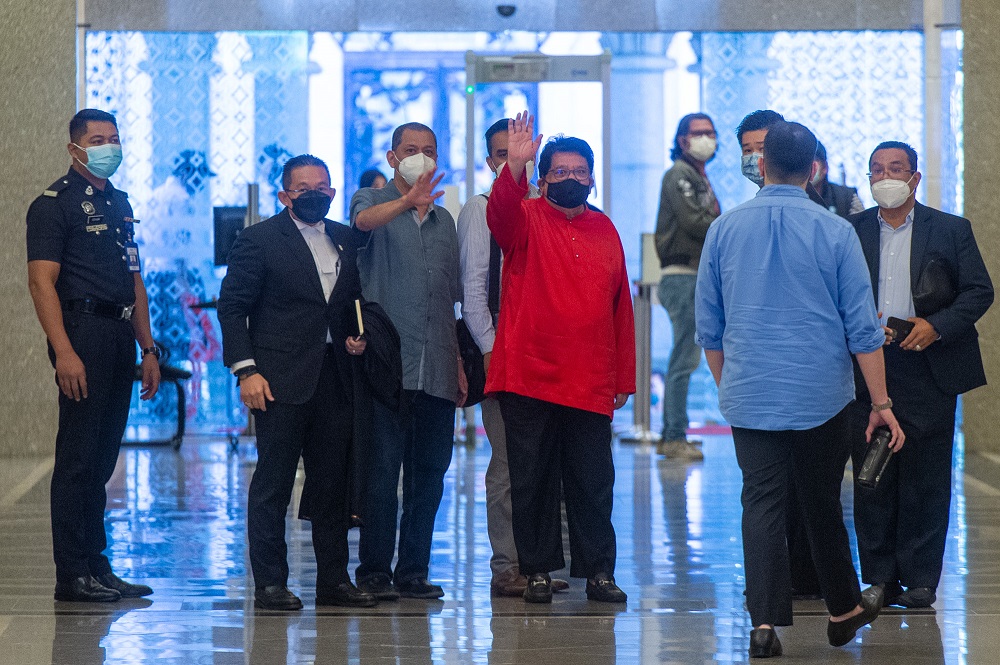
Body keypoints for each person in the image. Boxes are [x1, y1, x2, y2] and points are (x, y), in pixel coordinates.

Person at [695, 121, 905, 657]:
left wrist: (731, 386)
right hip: (822, 397)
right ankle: (841, 609)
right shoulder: (836, 232)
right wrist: (880, 403)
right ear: (813, 168)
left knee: (760, 504)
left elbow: (709, 328)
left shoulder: (723, 229)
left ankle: (764, 625)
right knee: (821, 503)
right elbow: (862, 329)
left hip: (751, 394)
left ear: (761, 165)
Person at [486, 112, 636, 604]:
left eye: (580, 172)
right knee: (532, 481)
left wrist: (624, 376)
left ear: (591, 177)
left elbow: (621, 308)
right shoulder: (524, 218)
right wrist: (515, 163)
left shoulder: (606, 228)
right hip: (529, 374)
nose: (571, 179)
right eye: (561, 172)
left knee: (594, 482)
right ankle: (535, 572)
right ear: (544, 177)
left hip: (590, 377)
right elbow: (500, 213)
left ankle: (598, 573)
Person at [218, 154, 374, 611]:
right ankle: (269, 584)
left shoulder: (345, 239)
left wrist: (355, 338)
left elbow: (347, 305)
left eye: (322, 186)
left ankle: (333, 581)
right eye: (303, 187)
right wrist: (246, 370)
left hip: (335, 378)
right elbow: (232, 308)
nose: (315, 194)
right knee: (274, 484)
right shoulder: (259, 240)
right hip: (278, 381)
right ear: (285, 194)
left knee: (331, 484)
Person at [849, 141, 994, 609]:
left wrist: (937, 327)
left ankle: (921, 580)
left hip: (929, 363)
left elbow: (978, 292)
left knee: (926, 477)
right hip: (870, 366)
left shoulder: (950, 229)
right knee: (873, 473)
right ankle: (878, 577)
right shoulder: (849, 232)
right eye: (876, 169)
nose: (885, 177)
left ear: (914, 177)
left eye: (896, 168)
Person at [26, 108, 161, 602]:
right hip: (79, 332)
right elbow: (41, 282)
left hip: (118, 332)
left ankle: (97, 565)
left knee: (103, 459)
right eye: (98, 139)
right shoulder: (53, 205)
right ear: (75, 149)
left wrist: (148, 348)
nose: (109, 147)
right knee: (78, 459)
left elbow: (135, 280)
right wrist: (63, 351)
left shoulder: (121, 204)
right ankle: (72, 573)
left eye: (115, 138)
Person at [351, 122, 466, 600]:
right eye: (411, 150)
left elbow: (449, 303)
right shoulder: (370, 200)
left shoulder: (446, 226)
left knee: (429, 478)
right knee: (381, 476)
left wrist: (458, 363)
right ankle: (375, 571)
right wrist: (406, 201)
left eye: (429, 151)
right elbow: (361, 225)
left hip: (437, 367)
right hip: (386, 369)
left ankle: (413, 571)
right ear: (394, 157)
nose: (421, 157)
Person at [457, 119, 569, 598]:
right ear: (490, 161)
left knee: (551, 463)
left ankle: (541, 562)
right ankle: (508, 565)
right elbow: (474, 290)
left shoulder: (552, 211)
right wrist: (488, 348)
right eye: (503, 153)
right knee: (506, 465)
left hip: (553, 355)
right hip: (503, 351)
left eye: (521, 152)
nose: (513, 161)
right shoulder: (481, 210)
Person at [737, 108, 823, 599]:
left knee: (803, 495)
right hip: (759, 385)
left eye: (762, 147)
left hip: (812, 384)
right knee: (767, 497)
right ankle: (775, 593)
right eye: (747, 149)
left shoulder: (833, 218)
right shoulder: (734, 224)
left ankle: (773, 607)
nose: (756, 157)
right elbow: (715, 322)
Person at [653, 113, 721, 461]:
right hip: (682, 274)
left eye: (710, 133)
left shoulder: (698, 176)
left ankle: (675, 433)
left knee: (686, 356)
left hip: (694, 274)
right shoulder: (679, 175)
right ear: (682, 140)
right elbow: (695, 222)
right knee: (684, 357)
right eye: (698, 133)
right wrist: (727, 225)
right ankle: (673, 436)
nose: (705, 138)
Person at [813, 141, 864, 219]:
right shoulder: (789, 197)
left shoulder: (848, 198)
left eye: (812, 161)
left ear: (824, 168)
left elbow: (862, 227)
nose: (806, 168)